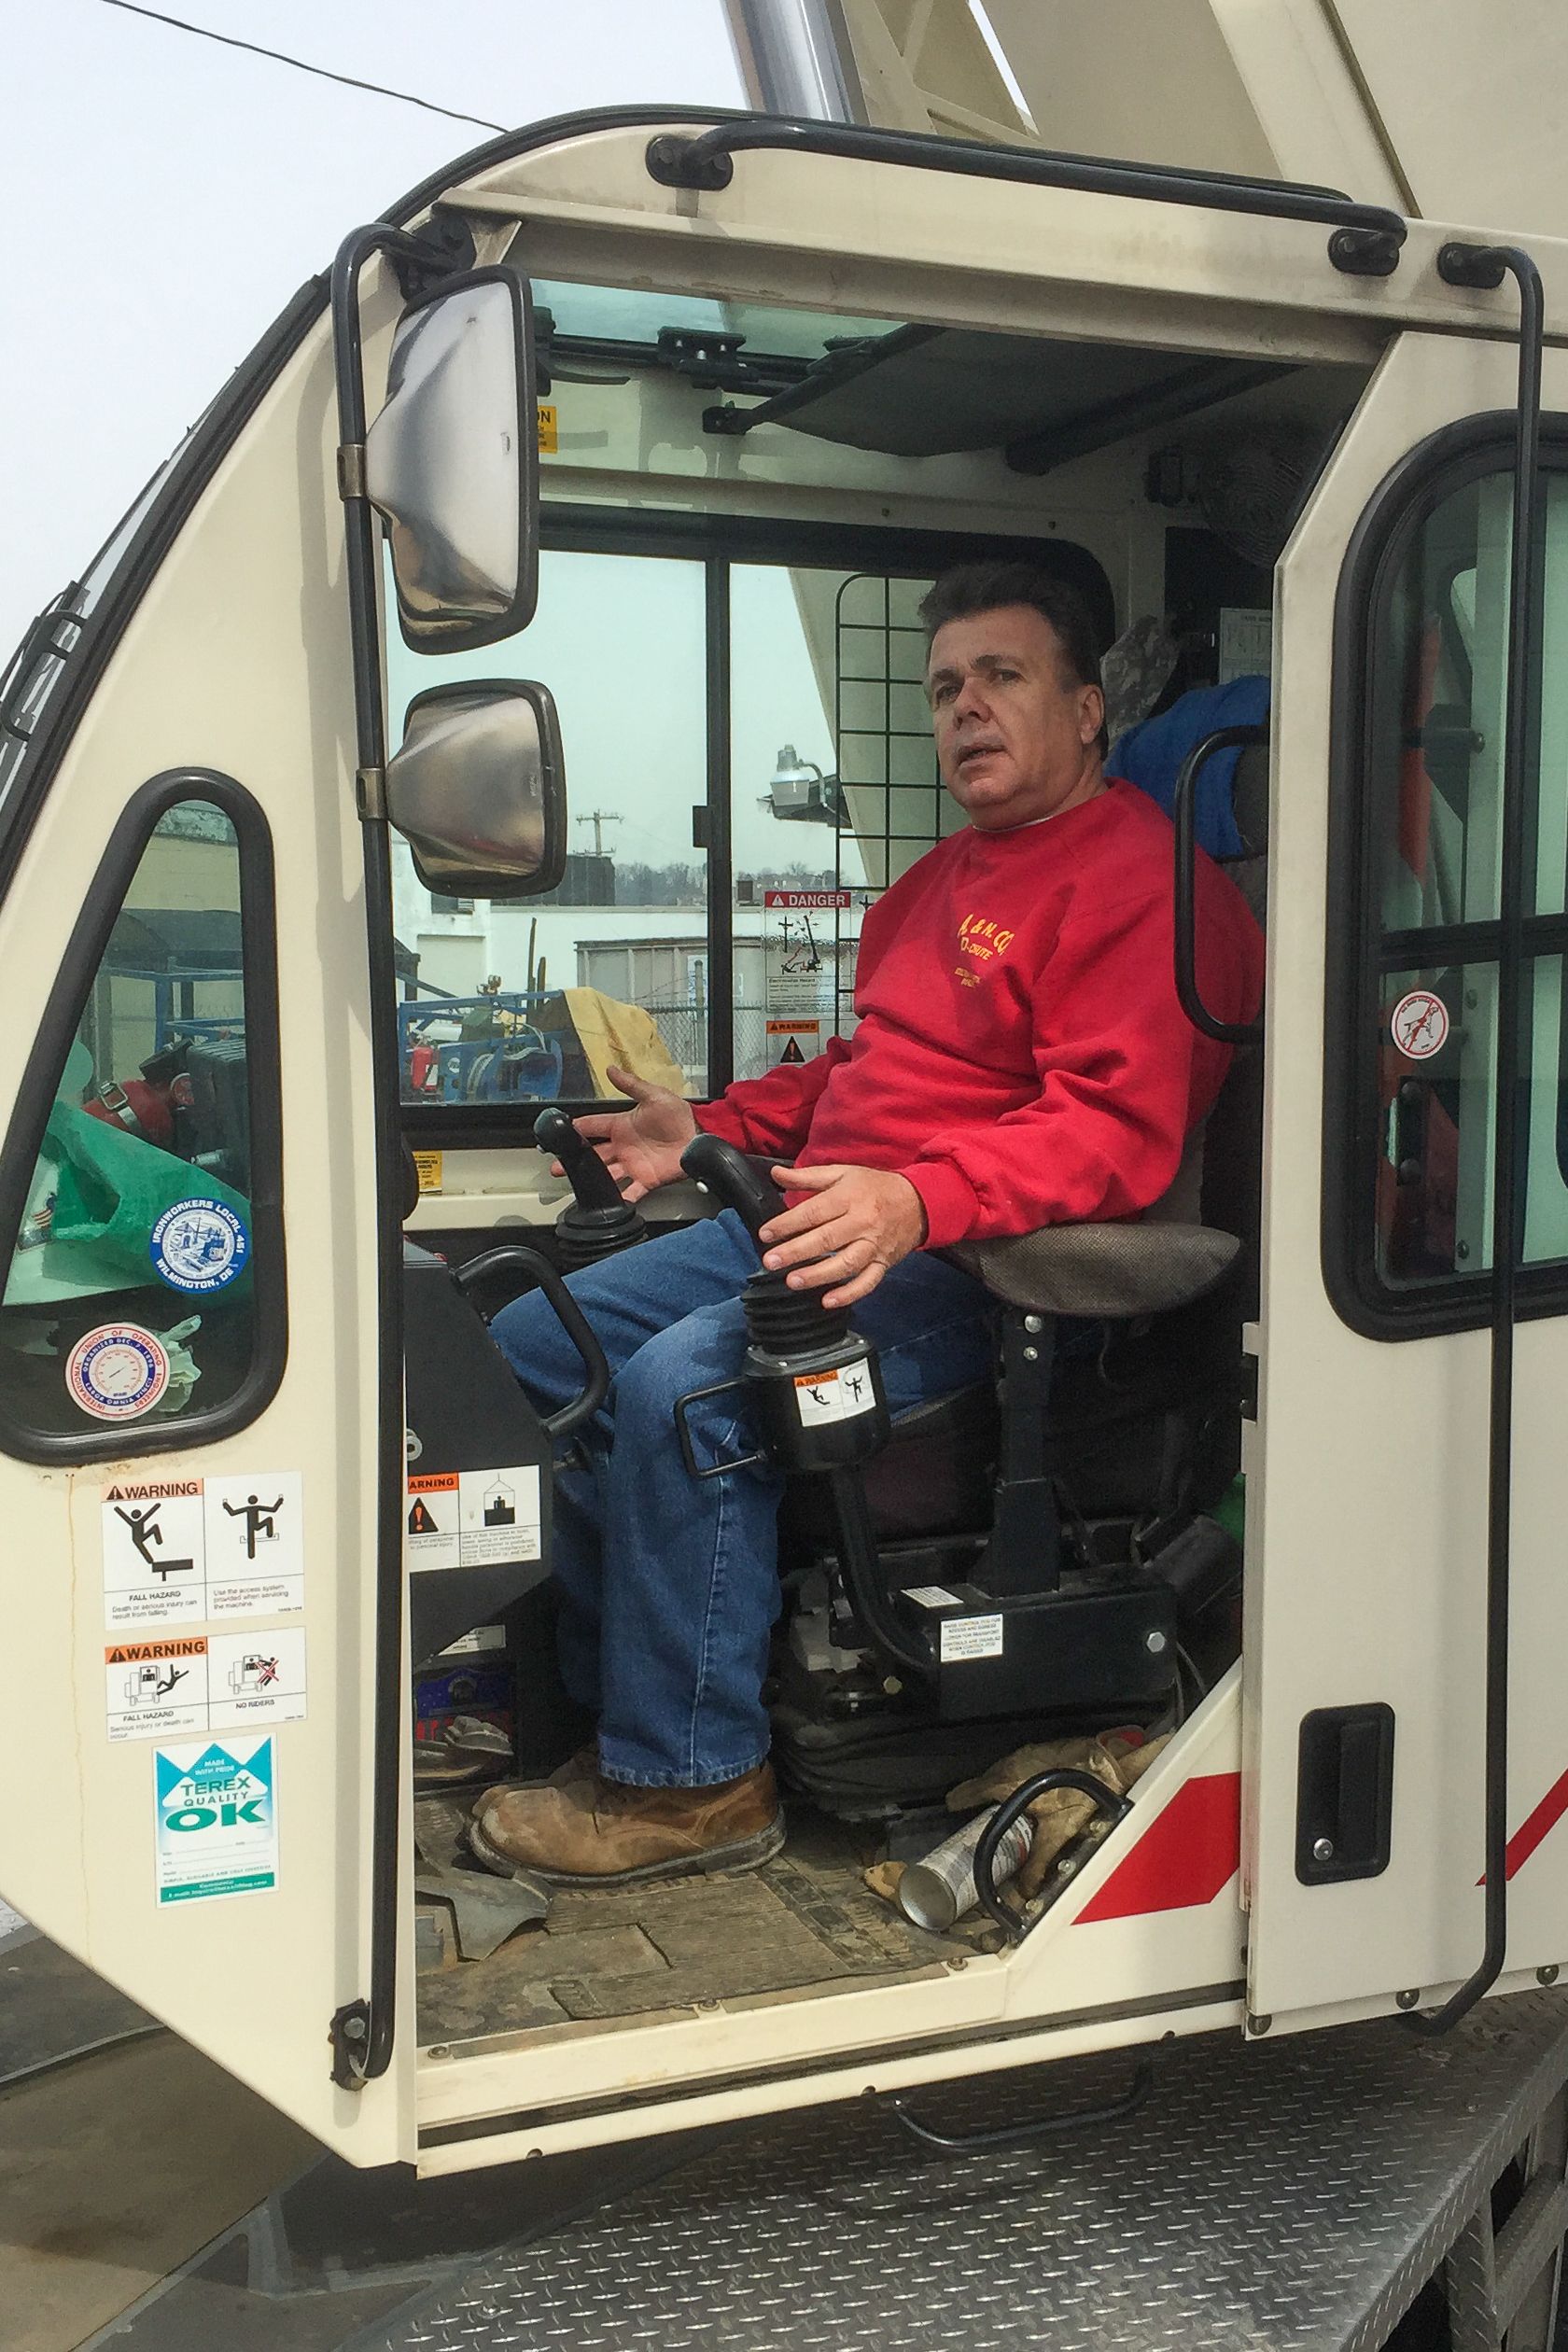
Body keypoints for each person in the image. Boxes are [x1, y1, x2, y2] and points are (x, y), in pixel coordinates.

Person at [469, 562, 1264, 1888]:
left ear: (1085, 711)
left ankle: (694, 1784)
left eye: (1002, 678)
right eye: (946, 686)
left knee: (680, 1388)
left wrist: (916, 1197)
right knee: (528, 1347)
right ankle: (620, 1711)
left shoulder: (1147, 887)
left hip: (986, 1267)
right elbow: (860, 1080)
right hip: (830, 1219)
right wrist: (707, 1126)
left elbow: (1116, 1140)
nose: (967, 710)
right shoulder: (939, 883)